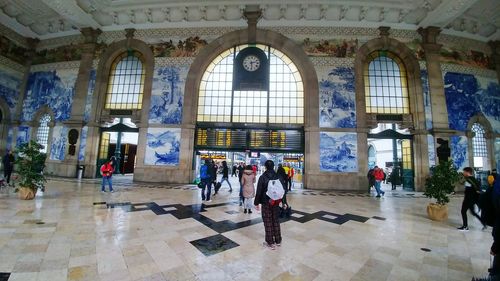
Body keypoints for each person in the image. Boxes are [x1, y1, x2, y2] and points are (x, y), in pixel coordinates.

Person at [254, 160, 285, 250]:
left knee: (267, 222)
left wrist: (256, 203)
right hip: (275, 202)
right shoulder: (278, 176)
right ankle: (278, 240)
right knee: (275, 220)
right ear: (273, 166)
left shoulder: (263, 177)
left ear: (265, 167)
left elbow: (259, 191)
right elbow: (282, 190)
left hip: (266, 202)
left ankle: (270, 242)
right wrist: (283, 202)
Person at [457, 167, 484, 231]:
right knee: (473, 212)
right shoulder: (472, 179)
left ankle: (465, 226)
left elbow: (470, 190)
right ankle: (484, 222)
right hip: (471, 199)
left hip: (468, 199)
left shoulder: (469, 180)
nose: (463, 173)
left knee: (463, 211)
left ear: (467, 172)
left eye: (464, 172)